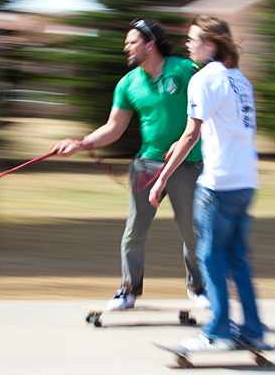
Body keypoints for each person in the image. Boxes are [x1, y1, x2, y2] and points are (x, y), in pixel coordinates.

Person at [51, 19, 210, 311]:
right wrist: (81, 143)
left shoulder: (185, 70)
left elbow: (210, 105)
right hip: (147, 165)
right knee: (134, 231)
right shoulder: (128, 83)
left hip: (188, 165)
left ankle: (199, 289)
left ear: (150, 44)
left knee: (192, 231)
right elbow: (113, 127)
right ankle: (128, 291)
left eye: (132, 41)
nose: (126, 47)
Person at [149, 15, 268, 350]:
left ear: (211, 44)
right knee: (237, 258)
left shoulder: (203, 80)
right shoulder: (240, 79)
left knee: (211, 257)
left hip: (219, 184)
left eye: (194, 39)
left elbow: (191, 134)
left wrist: (162, 179)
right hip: (246, 181)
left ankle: (217, 333)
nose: (188, 44)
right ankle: (253, 330)